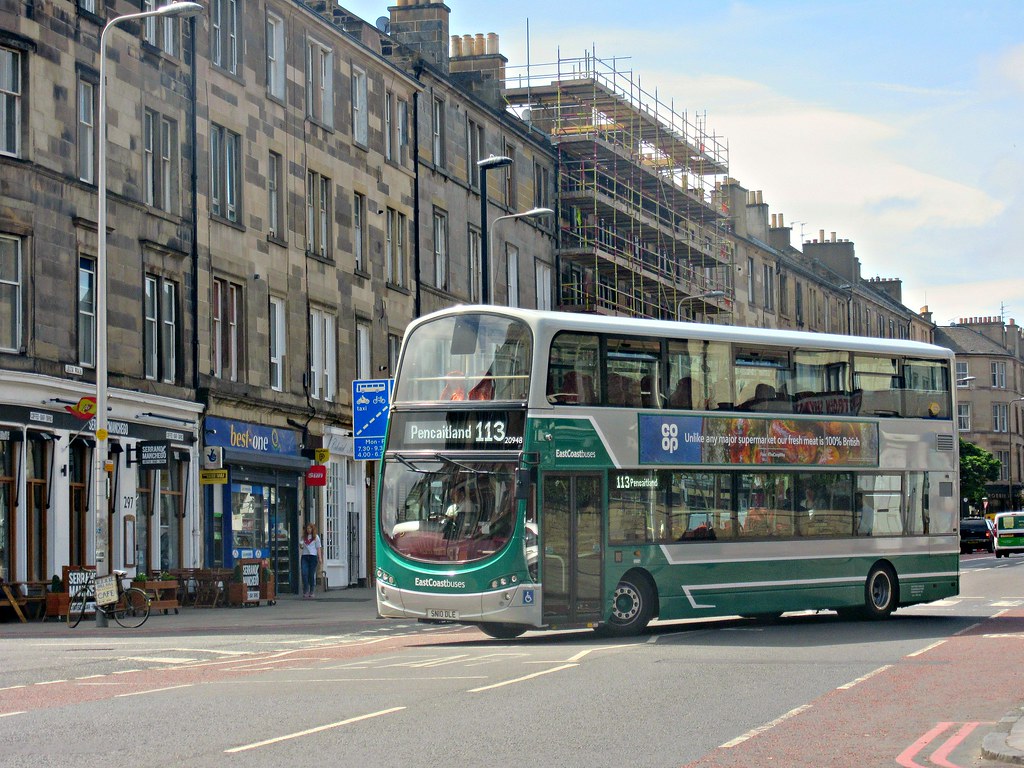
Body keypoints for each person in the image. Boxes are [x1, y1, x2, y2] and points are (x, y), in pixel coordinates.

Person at [298, 522, 322, 599]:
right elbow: (302, 546)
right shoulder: (303, 537)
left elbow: (318, 547)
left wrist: (320, 557)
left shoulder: (316, 537)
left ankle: (311, 591)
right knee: (304, 573)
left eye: (310, 528)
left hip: (313, 556)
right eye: (307, 528)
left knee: (311, 574)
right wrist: (301, 545)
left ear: (312, 529)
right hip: (305, 556)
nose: (308, 530)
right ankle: (305, 590)